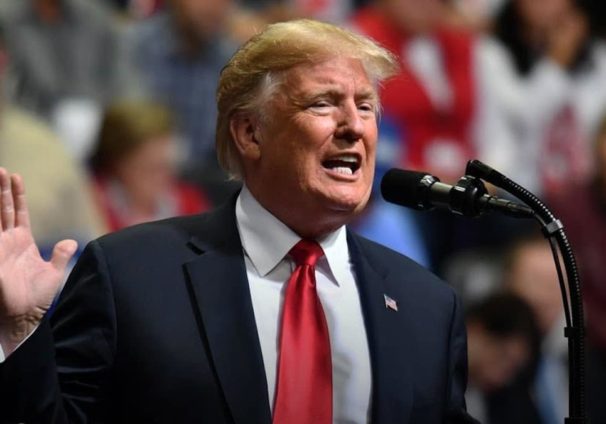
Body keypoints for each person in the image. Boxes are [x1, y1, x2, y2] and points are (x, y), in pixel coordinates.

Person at [0, 20, 477, 423]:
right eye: (323, 103)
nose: (354, 125)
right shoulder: (130, 277)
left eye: (366, 106)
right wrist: (20, 332)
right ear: (250, 133)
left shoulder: (428, 308)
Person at [89, 99, 211, 231]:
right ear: (116, 164)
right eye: (148, 168)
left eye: (166, 165)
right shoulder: (89, 205)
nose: (162, 177)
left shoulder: (191, 203)